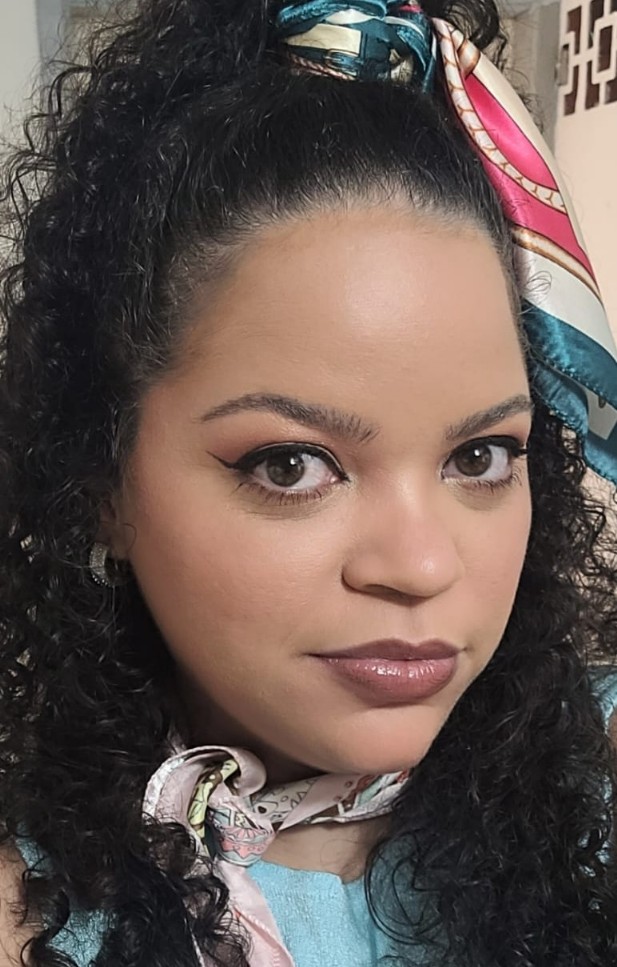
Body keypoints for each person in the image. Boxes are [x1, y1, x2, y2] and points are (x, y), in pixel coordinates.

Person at [1, 0, 616, 964]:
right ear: (102, 480)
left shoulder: (590, 802)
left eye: (479, 456)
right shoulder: (32, 919)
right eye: (291, 465)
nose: (419, 564)